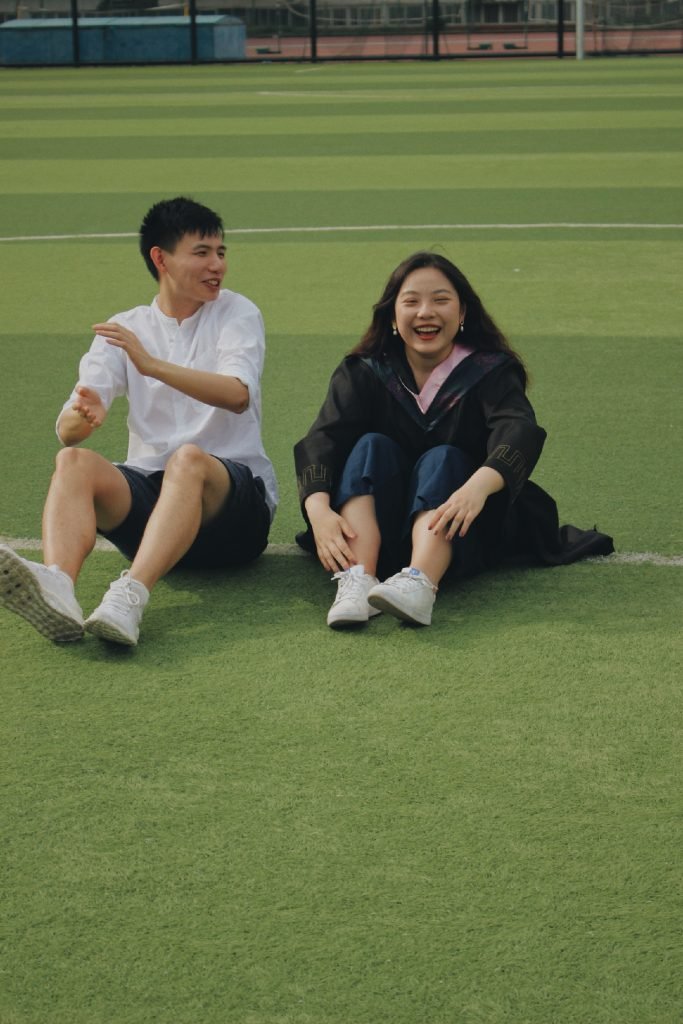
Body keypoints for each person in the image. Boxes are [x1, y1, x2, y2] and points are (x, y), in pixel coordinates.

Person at [0, 196, 277, 646]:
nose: (217, 265)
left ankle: (131, 594)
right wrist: (83, 417)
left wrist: (151, 366)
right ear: (161, 259)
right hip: (155, 515)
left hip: (234, 517)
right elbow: (68, 431)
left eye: (220, 252)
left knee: (188, 459)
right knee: (73, 462)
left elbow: (237, 394)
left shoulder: (237, 312)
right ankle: (58, 588)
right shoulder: (125, 328)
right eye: (202, 252)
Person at [294, 251, 613, 629]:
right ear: (392, 315)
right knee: (369, 448)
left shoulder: (488, 370)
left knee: (443, 458)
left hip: (464, 527)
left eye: (440, 300)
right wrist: (318, 510)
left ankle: (420, 582)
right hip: (384, 530)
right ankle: (358, 578)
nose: (425, 312)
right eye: (411, 301)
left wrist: (478, 487)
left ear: (462, 312)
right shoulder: (364, 371)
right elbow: (324, 437)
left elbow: (519, 429)